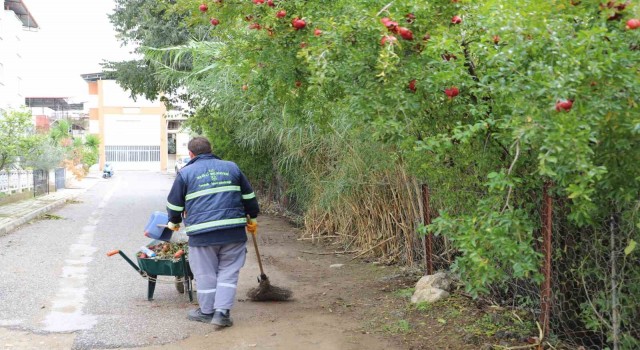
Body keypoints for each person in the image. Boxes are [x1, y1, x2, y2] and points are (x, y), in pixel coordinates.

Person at [165, 137, 259, 327]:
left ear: (191, 154)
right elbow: (249, 196)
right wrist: (253, 217)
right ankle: (222, 314)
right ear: (211, 149)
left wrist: (173, 222)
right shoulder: (232, 167)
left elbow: (174, 204)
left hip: (202, 234)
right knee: (229, 272)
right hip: (233, 231)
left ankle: (207, 312)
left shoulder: (185, 173)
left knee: (205, 274)